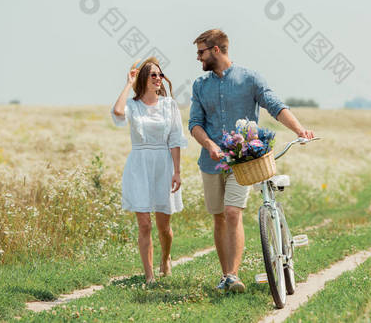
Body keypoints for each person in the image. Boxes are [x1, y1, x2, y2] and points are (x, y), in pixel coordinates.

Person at [188, 29, 315, 292]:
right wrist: (210, 145)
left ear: (216, 50)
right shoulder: (200, 86)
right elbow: (194, 124)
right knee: (219, 217)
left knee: (233, 212)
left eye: (201, 52)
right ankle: (226, 275)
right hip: (210, 161)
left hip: (243, 160)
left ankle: (233, 276)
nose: (198, 57)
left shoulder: (249, 78)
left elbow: (274, 105)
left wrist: (300, 130)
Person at [111, 57, 188, 284]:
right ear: (144, 78)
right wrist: (128, 83)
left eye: (160, 75)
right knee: (144, 223)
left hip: (163, 164)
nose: (158, 78)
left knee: (164, 226)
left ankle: (165, 258)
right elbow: (117, 112)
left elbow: (175, 139)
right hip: (139, 164)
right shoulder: (133, 106)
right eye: (153, 75)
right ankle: (149, 276)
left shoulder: (169, 104)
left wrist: (177, 171)